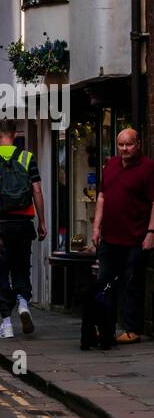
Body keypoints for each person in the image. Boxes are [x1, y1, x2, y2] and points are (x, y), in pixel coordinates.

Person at [0, 123, 46, 338]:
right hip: (23, 222)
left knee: (0, 272)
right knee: (22, 266)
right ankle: (23, 303)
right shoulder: (27, 158)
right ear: (15, 135)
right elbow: (36, 190)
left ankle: (6, 323)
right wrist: (42, 221)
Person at [92, 128, 154, 343]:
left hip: (135, 238)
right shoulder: (110, 165)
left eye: (129, 144)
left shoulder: (148, 168)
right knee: (104, 284)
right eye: (121, 145)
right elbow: (101, 196)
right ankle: (104, 328)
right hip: (109, 238)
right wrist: (96, 227)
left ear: (139, 144)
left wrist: (151, 232)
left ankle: (132, 329)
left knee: (132, 285)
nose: (125, 149)